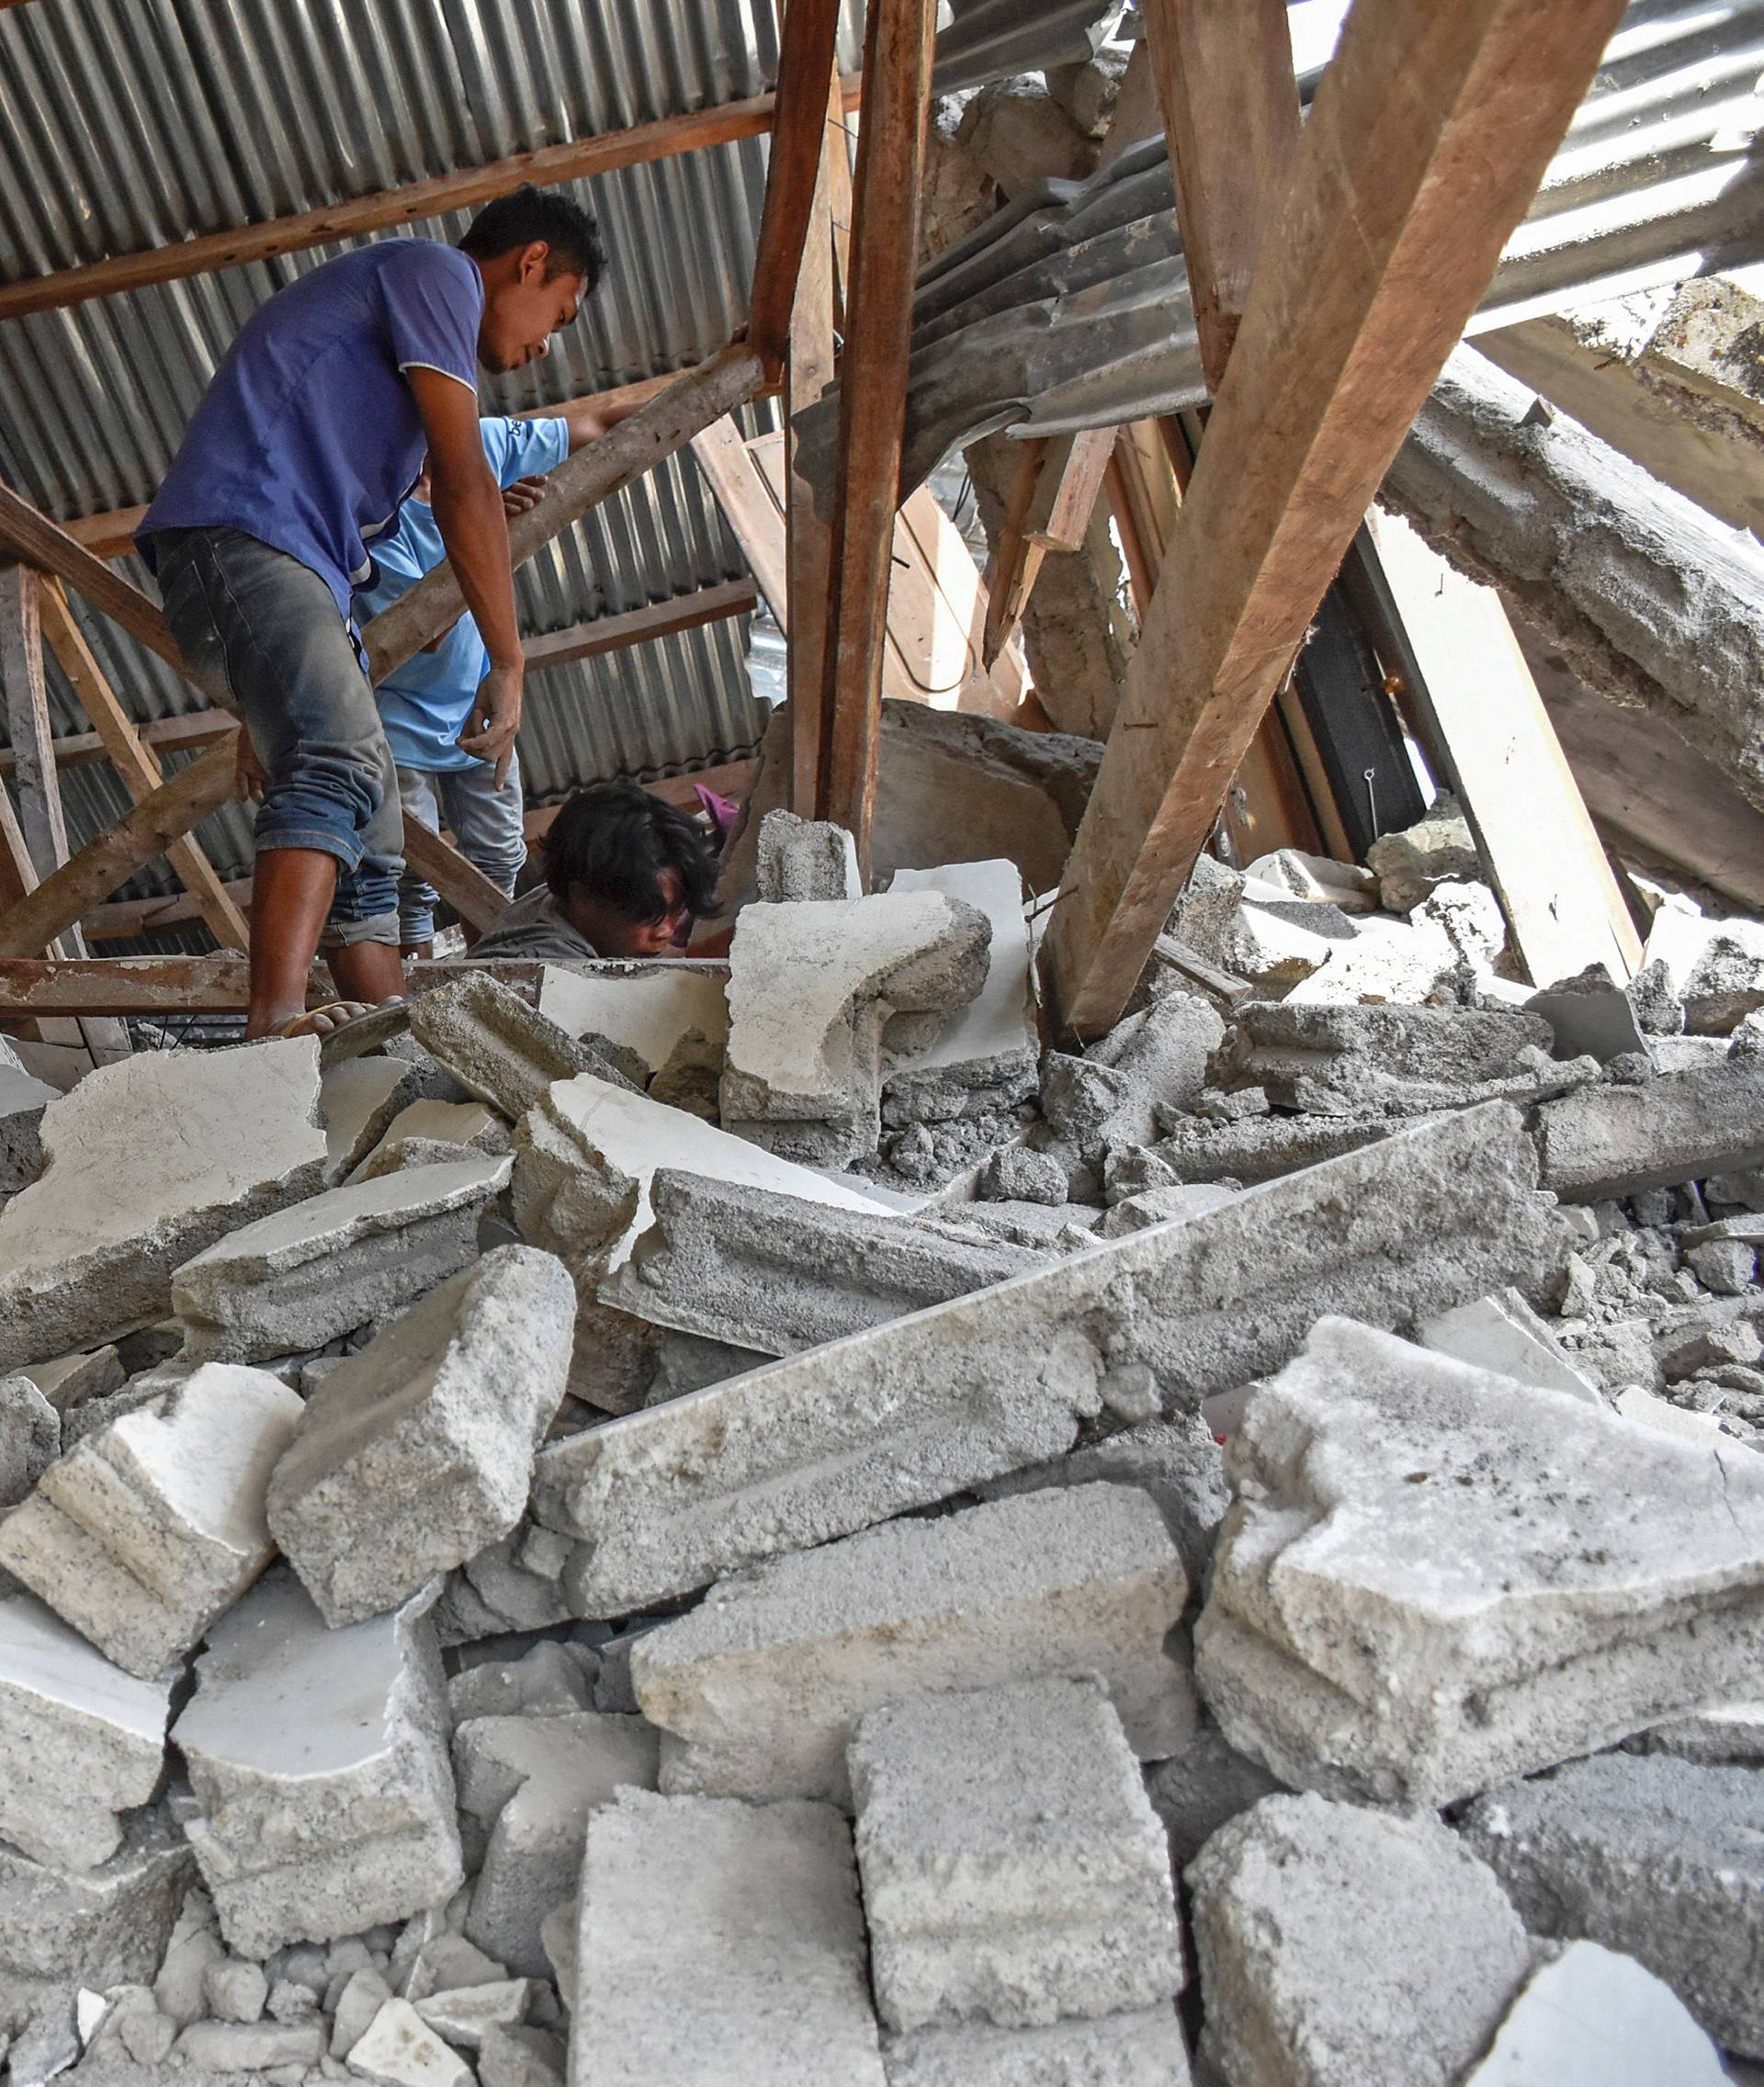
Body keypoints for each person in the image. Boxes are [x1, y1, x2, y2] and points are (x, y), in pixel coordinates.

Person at [138, 185, 605, 1039]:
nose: (544, 345)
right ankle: (274, 1025)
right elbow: (468, 486)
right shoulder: (438, 276)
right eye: (560, 313)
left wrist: (267, 698)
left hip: (292, 577)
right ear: (530, 262)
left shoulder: (399, 410)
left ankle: (384, 1041)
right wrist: (508, 659)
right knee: (341, 761)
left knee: (374, 825)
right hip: (248, 535)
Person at [354, 393, 635, 960]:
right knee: (411, 868)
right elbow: (424, 630)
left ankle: (492, 975)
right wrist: (486, 531)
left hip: (478, 701)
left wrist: (719, 379)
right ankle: (412, 986)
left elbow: (602, 423)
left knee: (501, 855)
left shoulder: (481, 442)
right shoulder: (368, 506)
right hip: (395, 716)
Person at [469, 781, 720, 962]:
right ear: (583, 898)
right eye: (646, 914)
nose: (666, 931)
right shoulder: (550, 975)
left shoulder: (562, 895)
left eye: (677, 909)